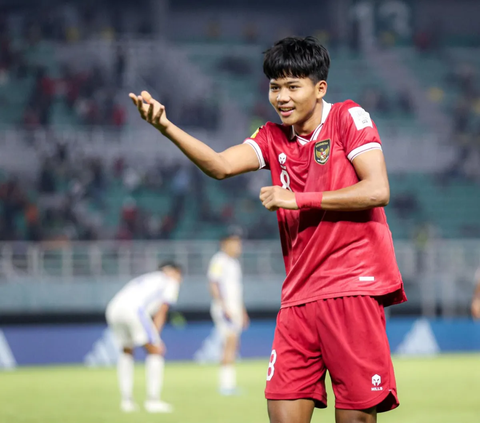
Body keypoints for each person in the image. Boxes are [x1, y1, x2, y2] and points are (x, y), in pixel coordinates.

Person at [129, 36, 407, 423]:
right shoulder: (272, 136)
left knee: (355, 418)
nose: (282, 97)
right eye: (275, 87)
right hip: (298, 297)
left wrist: (300, 199)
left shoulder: (348, 117)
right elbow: (220, 165)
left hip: (351, 287)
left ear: (319, 88)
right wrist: (166, 128)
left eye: (293, 86)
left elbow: (378, 190)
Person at [105, 261, 183, 414]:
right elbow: (162, 310)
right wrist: (156, 339)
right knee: (156, 351)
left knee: (126, 350)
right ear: (173, 272)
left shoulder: (147, 278)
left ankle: (126, 401)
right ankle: (153, 401)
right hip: (134, 310)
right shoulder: (170, 281)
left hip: (113, 309)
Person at [208, 229, 249, 395]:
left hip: (234, 309)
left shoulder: (234, 263)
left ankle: (229, 383)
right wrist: (223, 306)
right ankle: (225, 385)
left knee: (233, 344)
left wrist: (242, 311)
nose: (238, 246)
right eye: (234, 243)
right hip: (226, 309)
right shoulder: (219, 260)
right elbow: (213, 283)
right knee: (229, 344)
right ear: (224, 244)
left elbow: (237, 291)